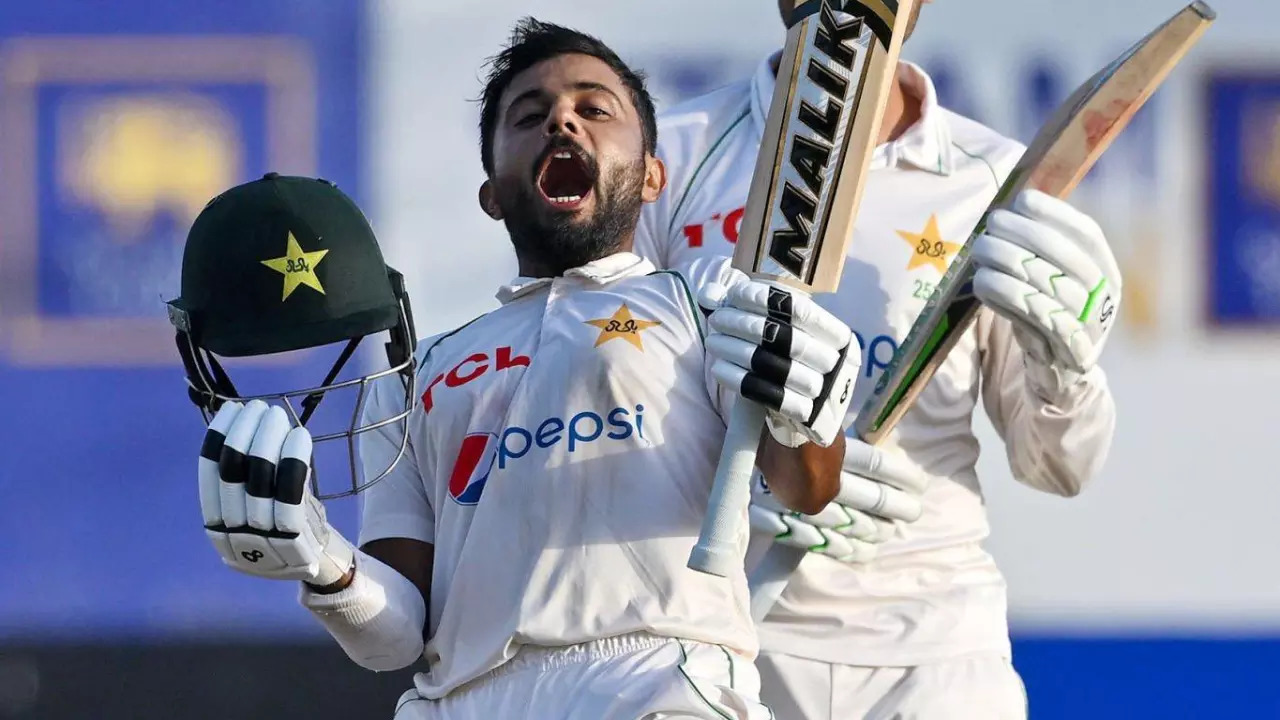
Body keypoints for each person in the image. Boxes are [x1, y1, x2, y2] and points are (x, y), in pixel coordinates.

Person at [173, 18, 869, 720]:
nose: (562, 121)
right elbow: (393, 640)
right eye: (530, 116)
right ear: (493, 195)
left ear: (654, 175)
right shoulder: (422, 371)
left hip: (657, 684)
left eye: (594, 108)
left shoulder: (707, 309)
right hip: (465, 700)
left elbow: (805, 487)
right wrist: (323, 561)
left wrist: (809, 415)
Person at [631, 1, 1121, 717]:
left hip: (935, 642)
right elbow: (604, 398)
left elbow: (1060, 465)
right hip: (725, 635)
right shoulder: (670, 158)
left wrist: (1067, 370)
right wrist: (769, 480)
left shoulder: (989, 175)